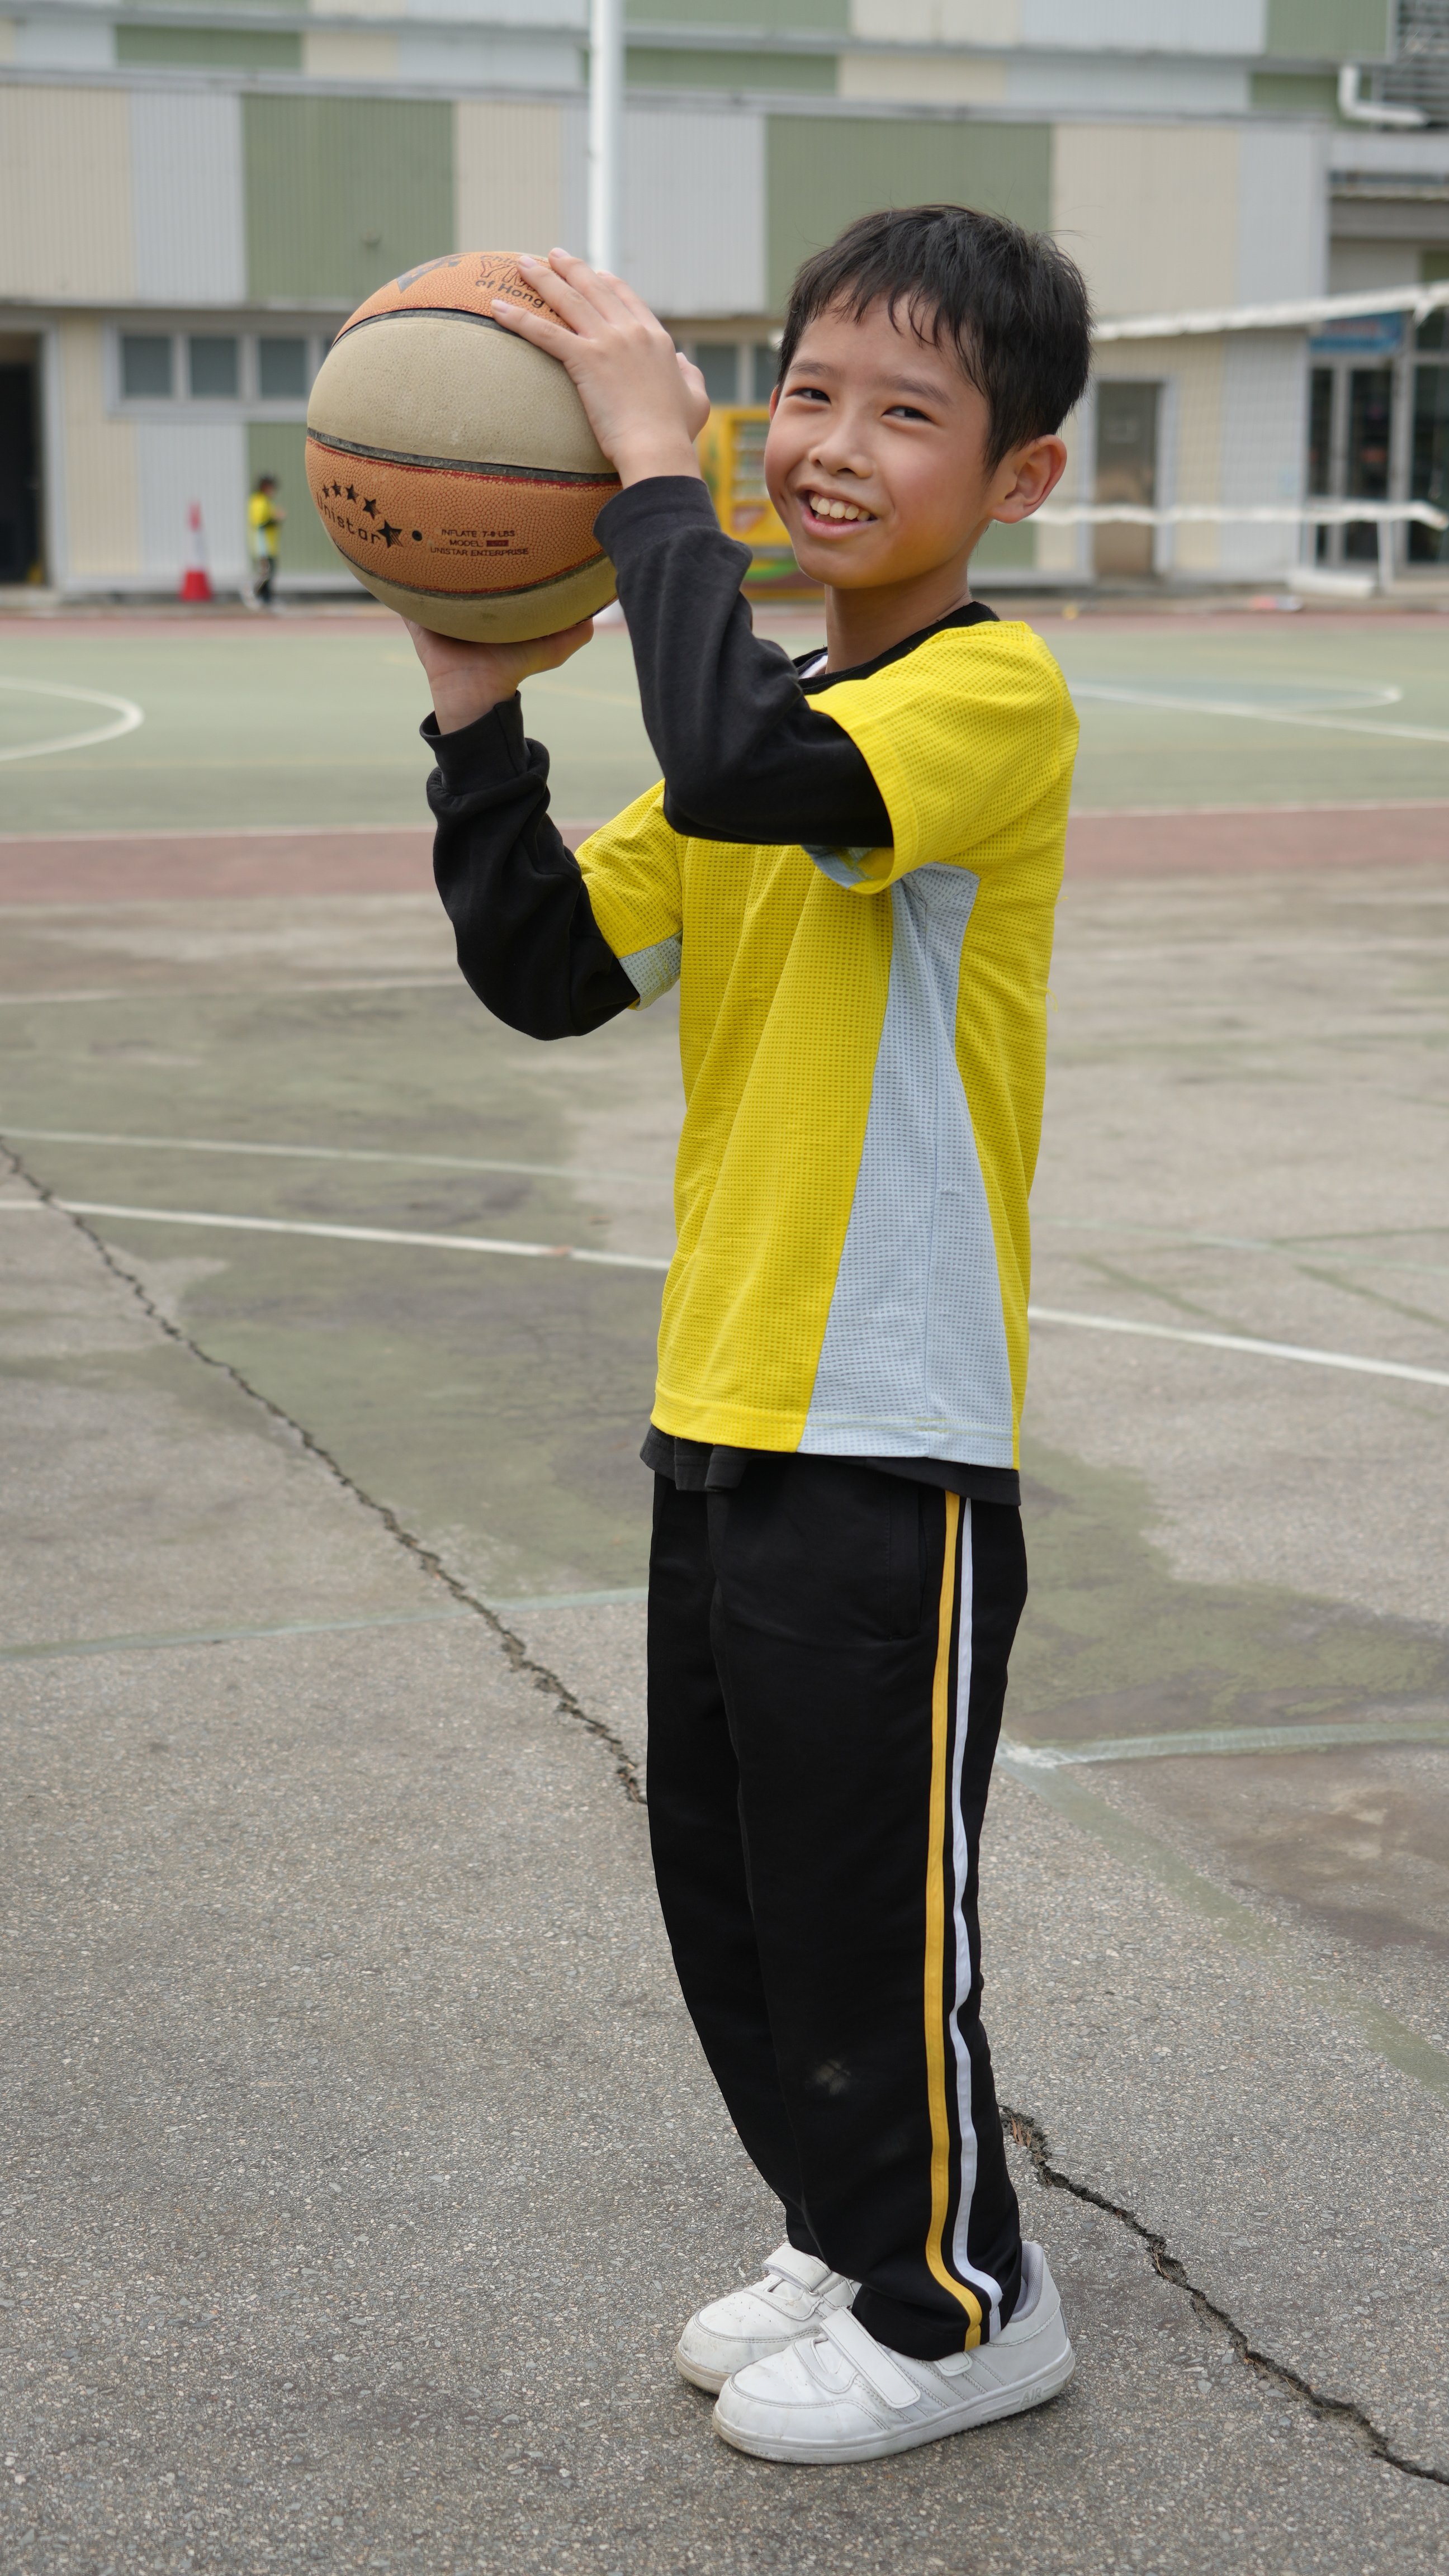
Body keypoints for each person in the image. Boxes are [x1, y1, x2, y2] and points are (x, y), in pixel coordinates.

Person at [405, 204, 1091, 2466]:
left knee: (869, 1905)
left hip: (891, 1423)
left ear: (1018, 479)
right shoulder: (770, 718)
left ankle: (960, 2301)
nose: (832, 445)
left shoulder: (978, 702)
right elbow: (543, 963)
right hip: (726, 1397)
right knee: (740, 1887)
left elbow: (732, 775)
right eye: (804, 393)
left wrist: (645, 478)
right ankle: (846, 2227)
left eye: (908, 412)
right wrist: (472, 692)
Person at [247, 473, 284, 607]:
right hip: (262, 545)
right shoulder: (258, 501)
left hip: (269, 545)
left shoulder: (266, 501)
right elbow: (259, 523)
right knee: (265, 572)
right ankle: (253, 593)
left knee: (270, 572)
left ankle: (266, 598)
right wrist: (276, 518)